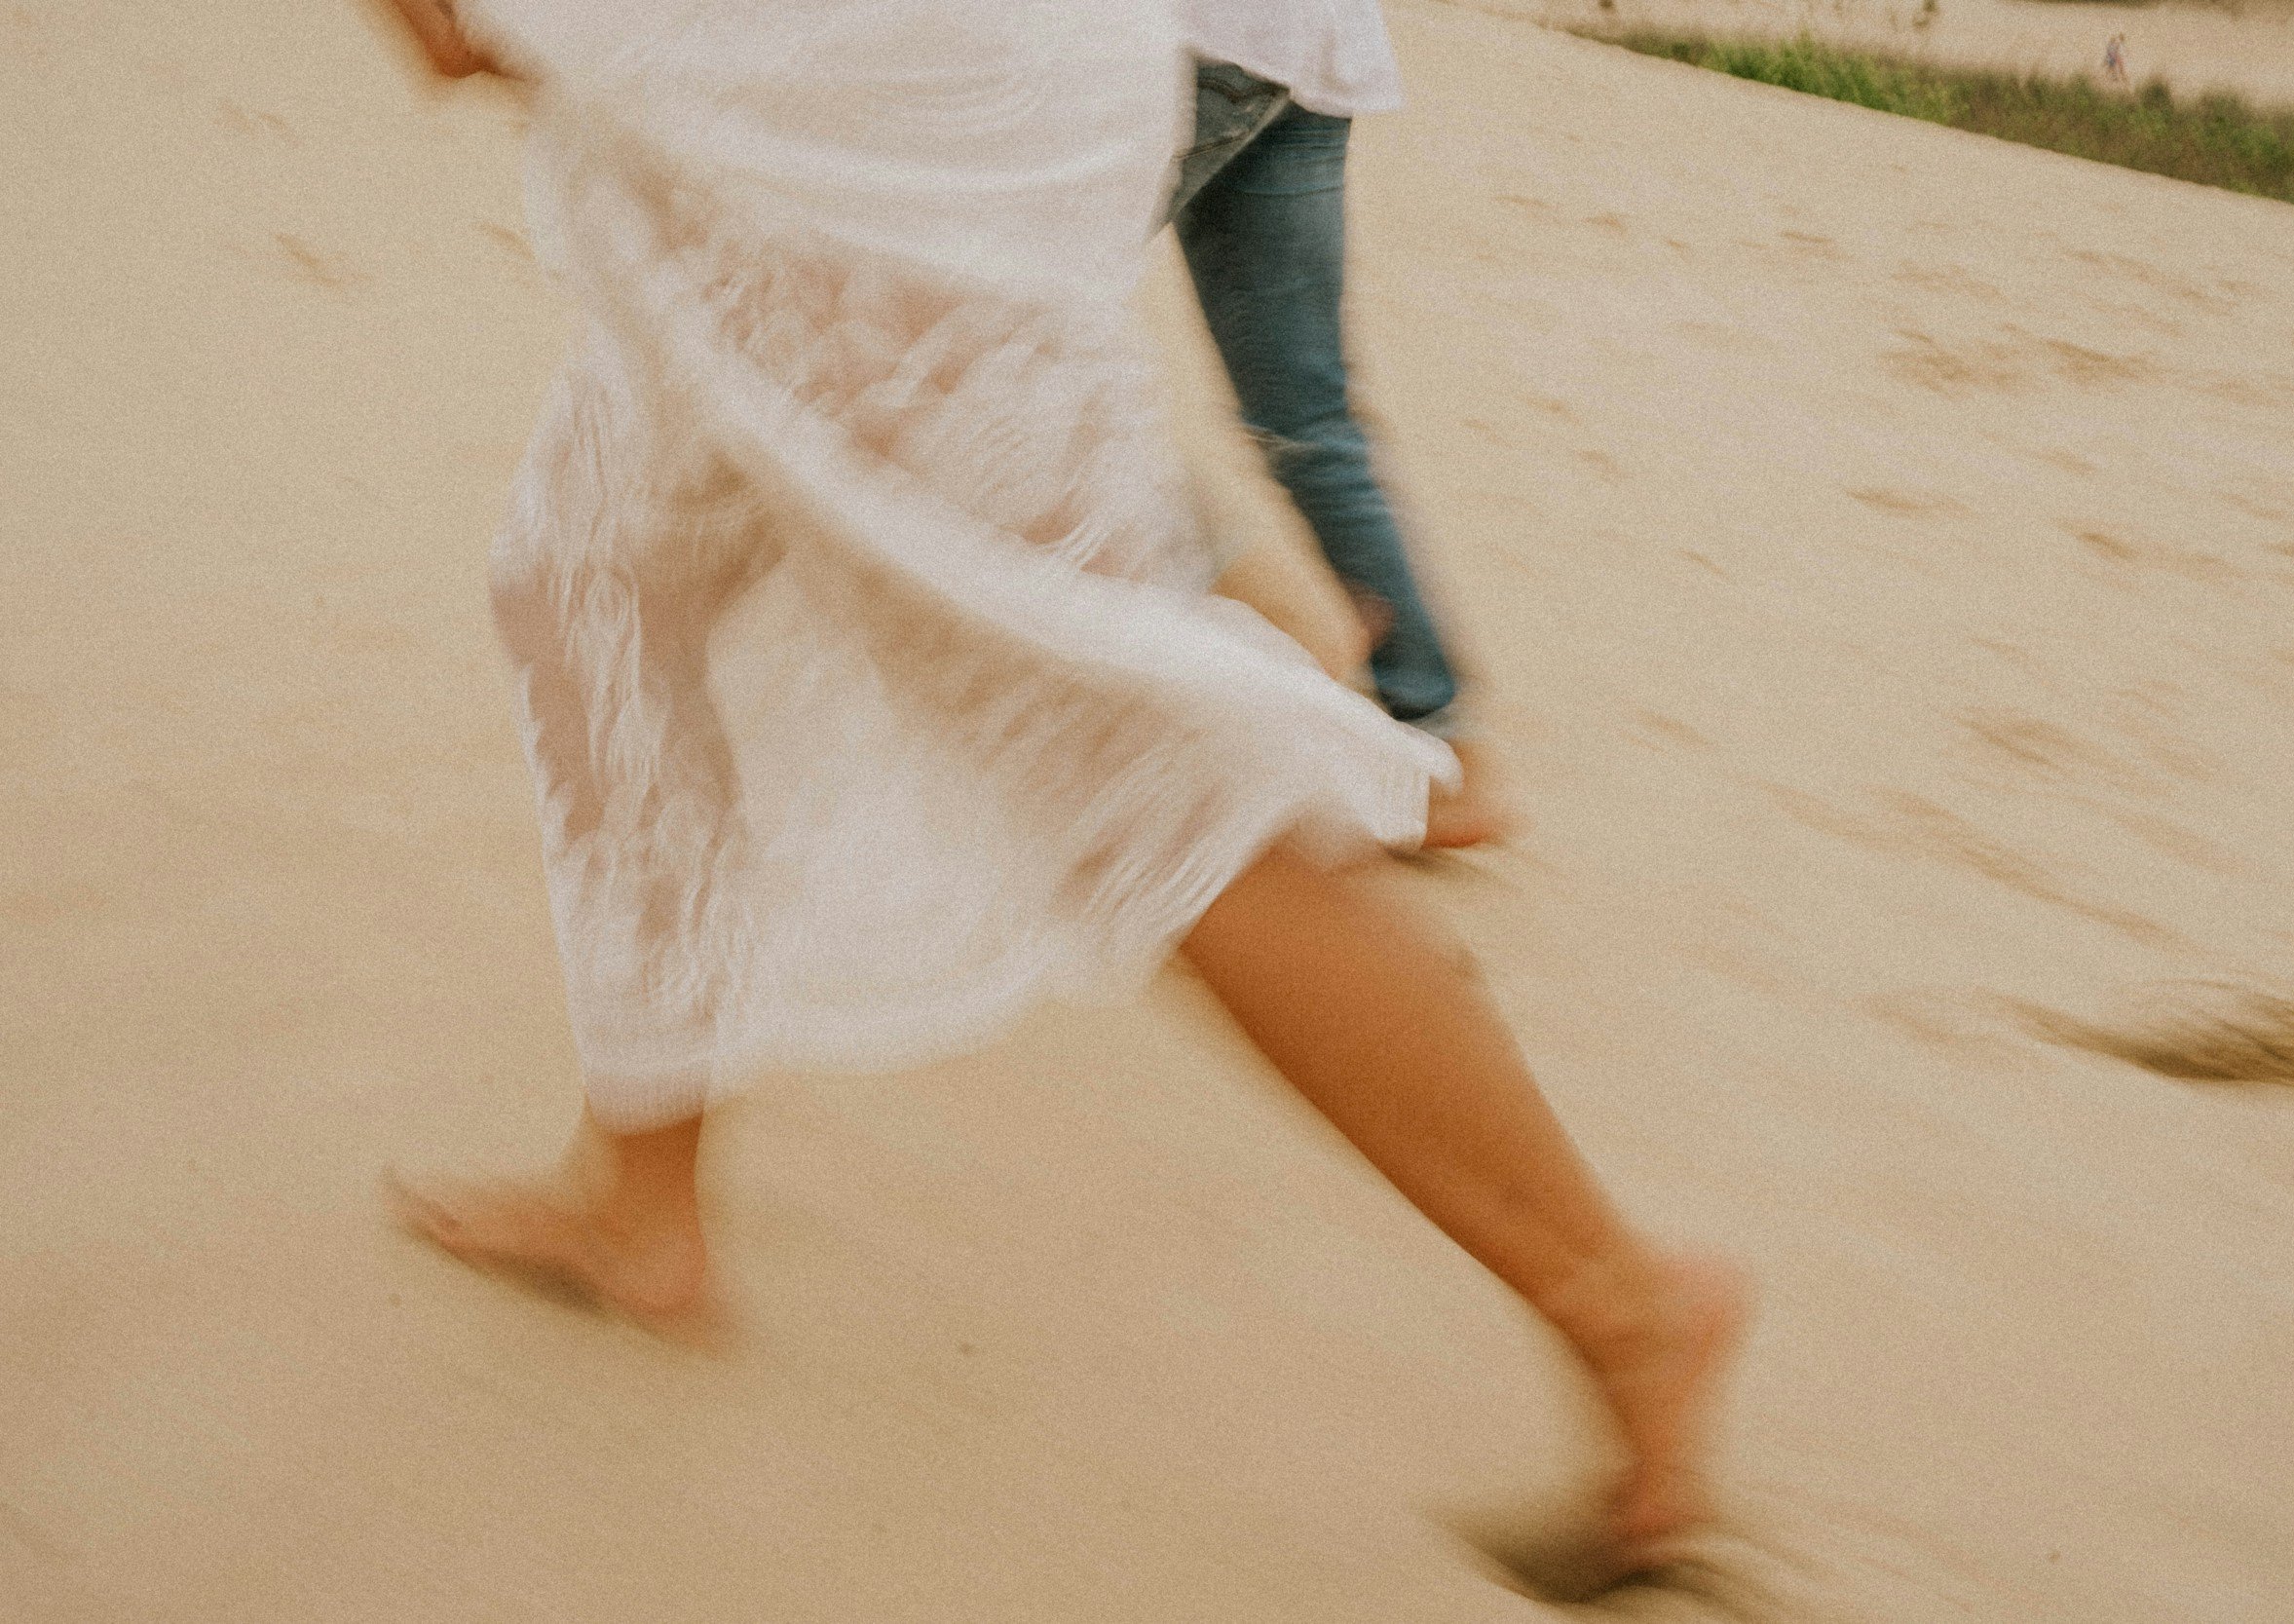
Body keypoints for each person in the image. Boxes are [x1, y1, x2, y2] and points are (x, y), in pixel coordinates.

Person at [368, 0, 1746, 1577]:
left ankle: (1621, 1294)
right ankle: (638, 1194)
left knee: (1131, 782)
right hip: (878, 105)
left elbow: (462, 39)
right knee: (597, 583)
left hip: (880, 117)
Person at [1171, 2, 1518, 849]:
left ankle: (1203, 659)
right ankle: (1442, 739)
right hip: (1311, 51)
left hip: (1191, 42)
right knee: (1307, 419)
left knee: (1010, 342)